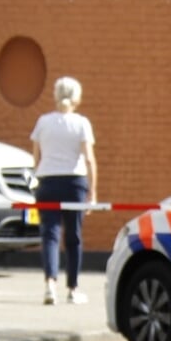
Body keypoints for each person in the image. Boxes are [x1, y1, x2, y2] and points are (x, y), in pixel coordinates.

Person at [29, 75, 98, 305]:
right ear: (77, 98)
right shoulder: (81, 123)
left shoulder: (43, 122)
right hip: (74, 183)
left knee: (49, 234)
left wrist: (37, 181)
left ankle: (50, 285)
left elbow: (35, 158)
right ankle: (73, 288)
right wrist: (93, 191)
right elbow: (89, 159)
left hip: (47, 181)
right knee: (73, 236)